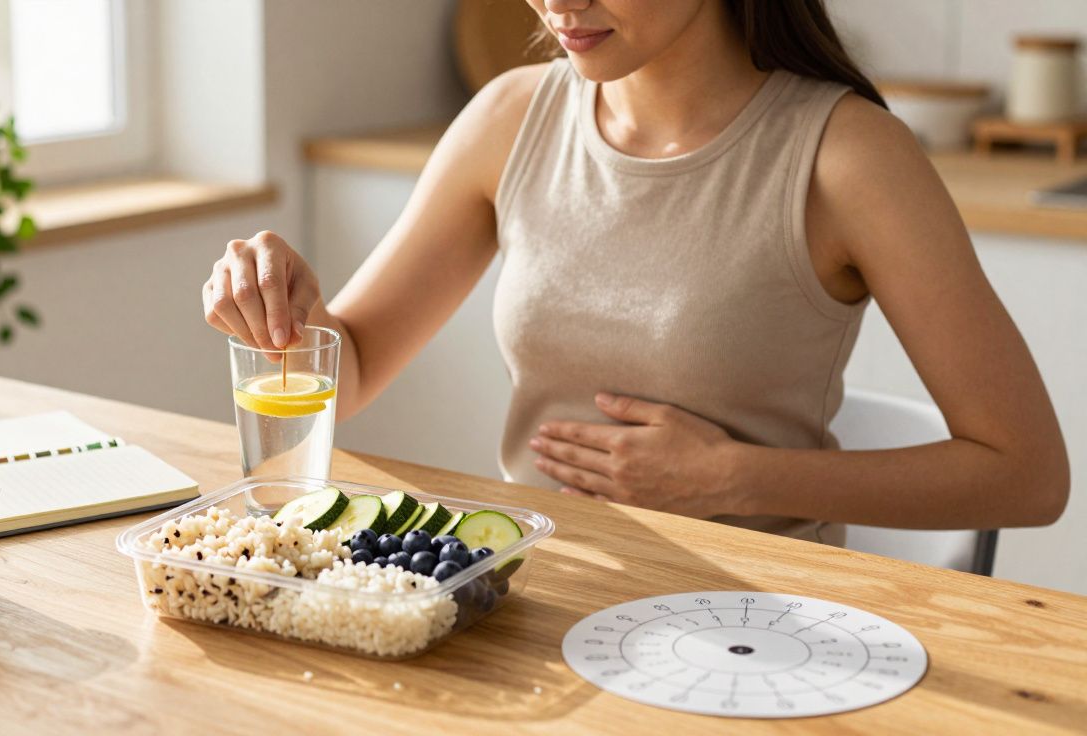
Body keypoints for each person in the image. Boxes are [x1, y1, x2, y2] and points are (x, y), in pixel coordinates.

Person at [202, 0, 1068, 544]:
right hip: (540, 592)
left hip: (760, 628)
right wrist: (283, 310)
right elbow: (347, 368)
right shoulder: (510, 116)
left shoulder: (849, 157)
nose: (559, 3)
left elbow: (1027, 473)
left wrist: (735, 477)